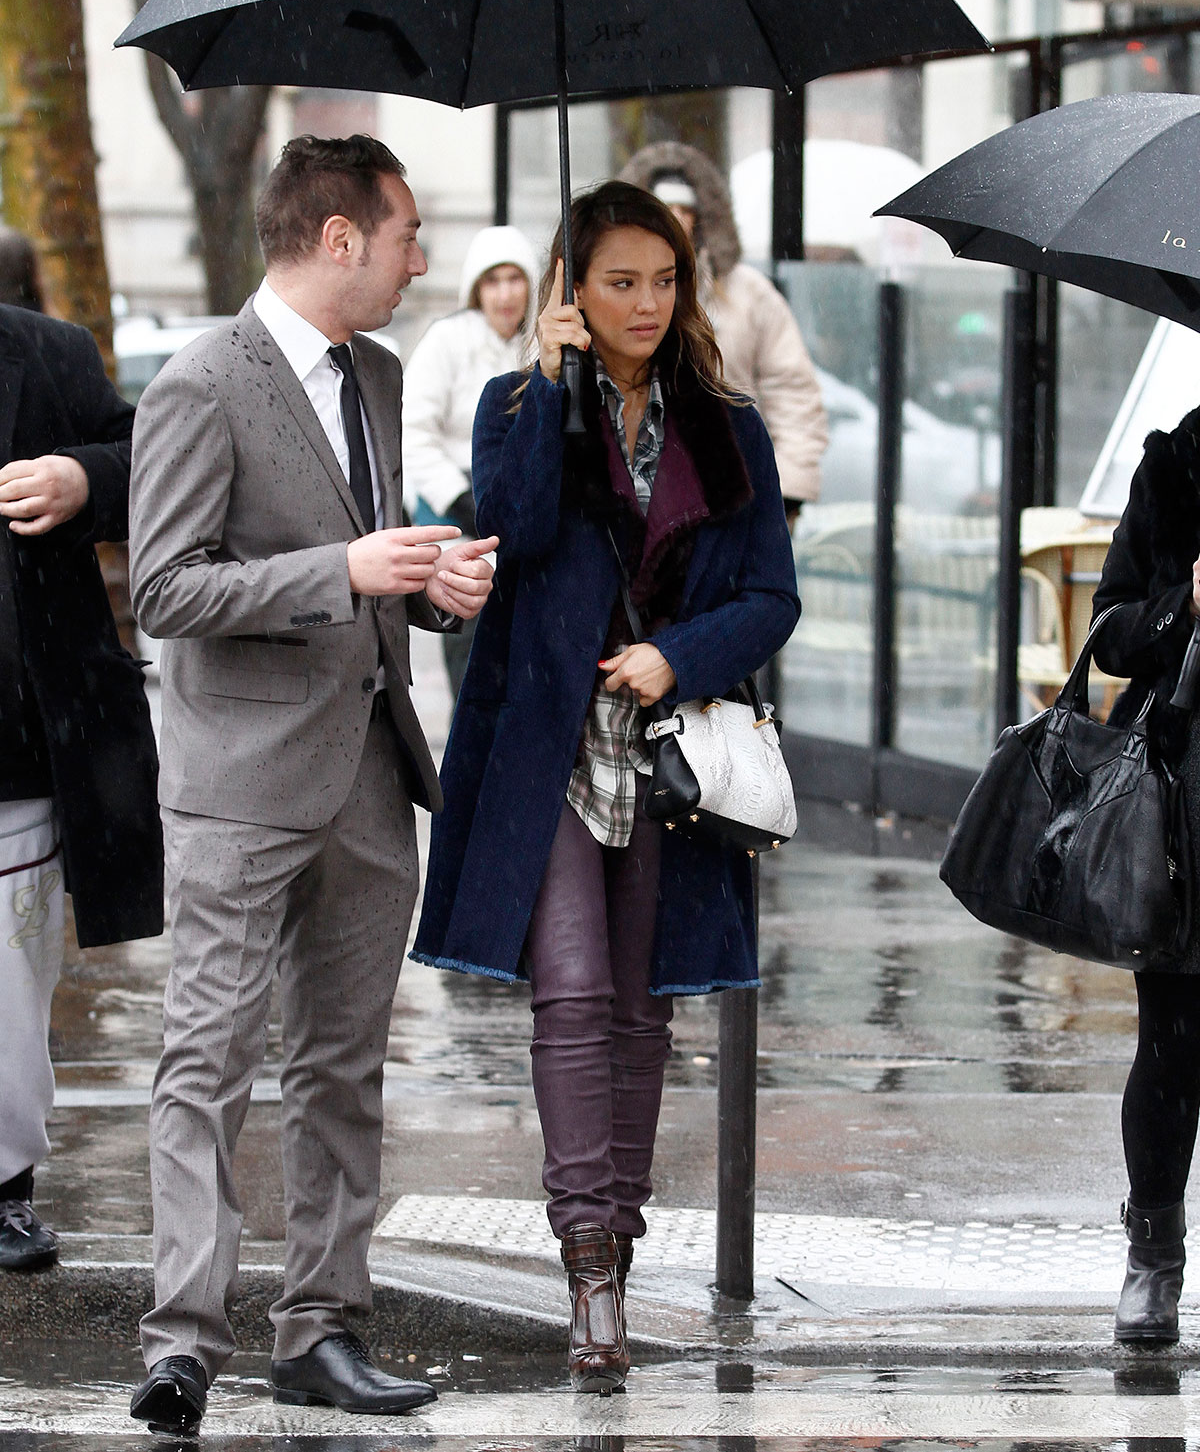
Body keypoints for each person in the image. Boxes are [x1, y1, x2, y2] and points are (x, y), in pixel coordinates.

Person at [126, 135, 497, 1433]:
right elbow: (166, 588)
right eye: (406, 234)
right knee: (208, 1060)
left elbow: (375, 560)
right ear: (340, 239)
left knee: (343, 1068)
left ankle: (319, 1327)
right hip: (236, 779)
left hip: (368, 772)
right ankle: (181, 1338)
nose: (421, 258)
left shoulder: (382, 374)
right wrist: (344, 569)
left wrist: (434, 588)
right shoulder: (198, 383)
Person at [411, 181, 800, 1391]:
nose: (645, 302)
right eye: (618, 280)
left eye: (663, 280)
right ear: (573, 285)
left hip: (671, 744)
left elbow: (773, 597)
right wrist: (548, 386)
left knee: (642, 1011)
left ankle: (618, 1250)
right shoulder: (519, 404)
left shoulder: (728, 426)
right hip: (551, 745)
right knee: (572, 997)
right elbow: (513, 531)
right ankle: (585, 1260)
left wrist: (676, 653)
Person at [0, 259, 162, 1274]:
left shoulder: (46, 353)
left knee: (10, 979)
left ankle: (4, 1183)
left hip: (15, 737)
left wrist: (81, 479)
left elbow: (148, 452)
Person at [1092, 415, 1200, 1346]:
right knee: (1171, 1040)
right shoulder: (1176, 462)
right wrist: (1187, 601)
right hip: (1183, 806)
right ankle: (1153, 1253)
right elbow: (1110, 632)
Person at [620, 141, 828, 524]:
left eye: (685, 210)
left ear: (702, 216)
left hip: (736, 487)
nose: (677, 219)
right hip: (642, 493)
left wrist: (788, 491)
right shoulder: (616, 298)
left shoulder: (748, 293)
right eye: (665, 210)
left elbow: (792, 388)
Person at [402, 224, 537, 699]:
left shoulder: (540, 347)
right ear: (477, 287)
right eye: (492, 279)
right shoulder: (448, 340)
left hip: (524, 523)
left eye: (514, 278)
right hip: (459, 525)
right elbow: (413, 430)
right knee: (472, 666)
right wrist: (460, 499)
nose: (504, 293)